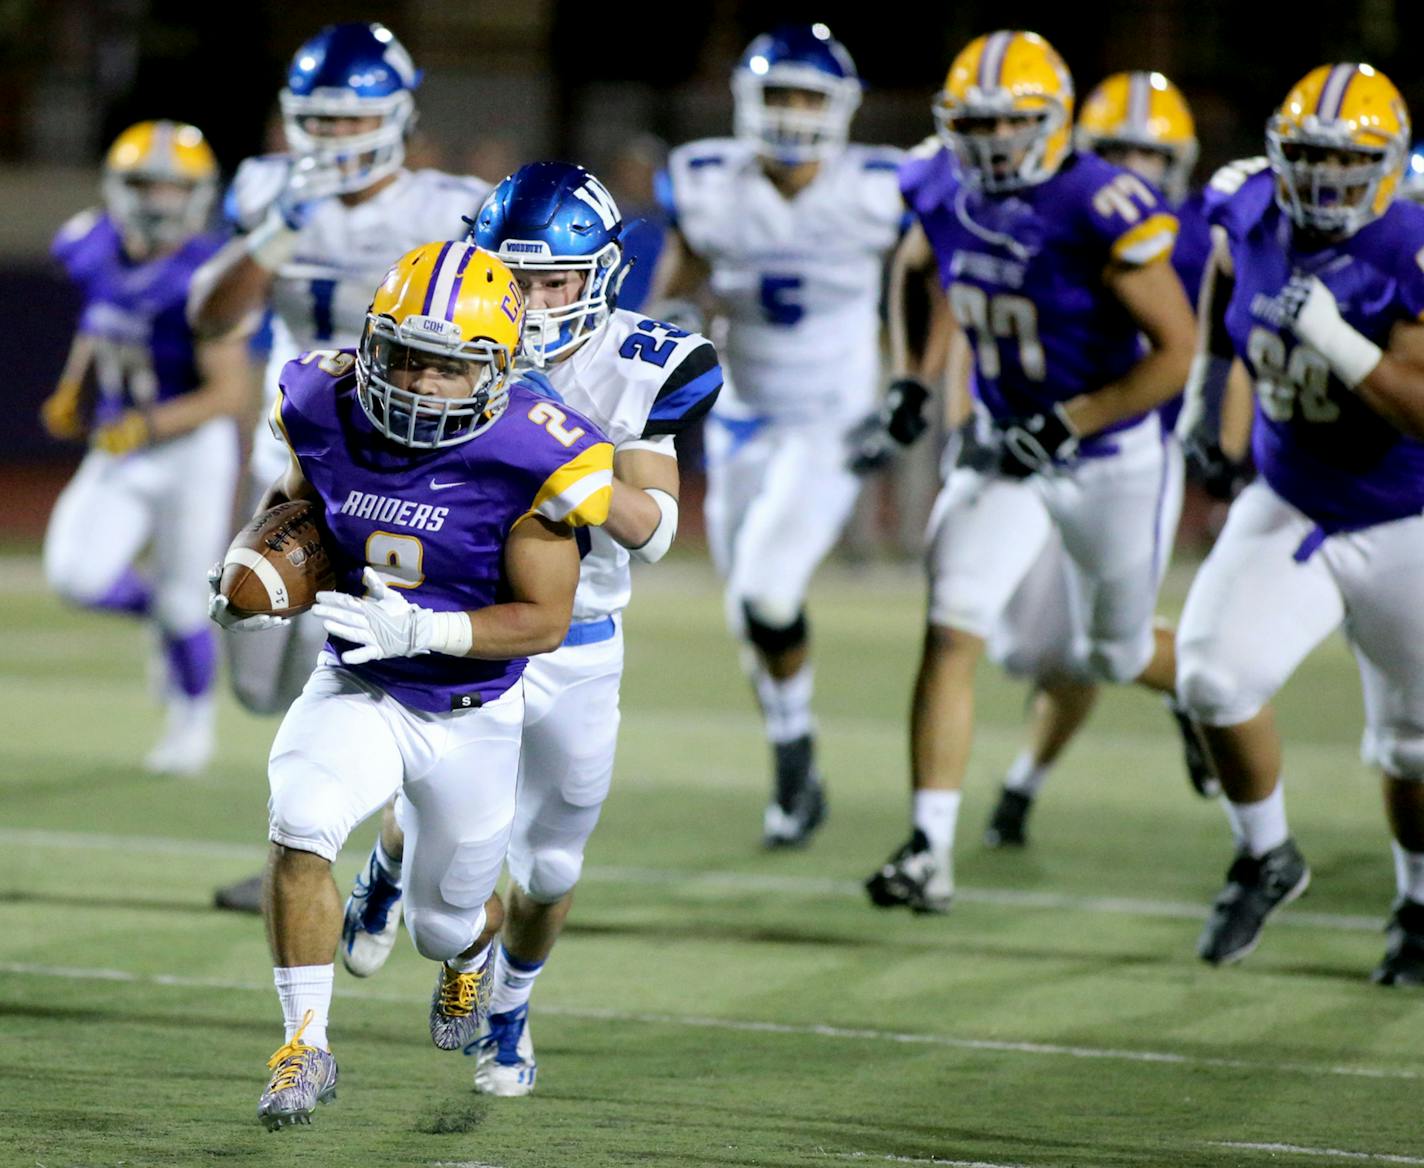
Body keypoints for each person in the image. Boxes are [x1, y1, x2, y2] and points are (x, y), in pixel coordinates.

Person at [335, 161, 721, 1097]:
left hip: (578, 638)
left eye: (554, 281)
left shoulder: (642, 361)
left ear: (602, 276)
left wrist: (570, 459)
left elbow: (659, 531)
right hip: (463, 618)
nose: (533, 301)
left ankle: (511, 1006)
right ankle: (392, 868)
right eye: (515, 277)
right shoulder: (446, 332)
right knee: (444, 827)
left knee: (548, 862)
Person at [220, 241, 614, 1129]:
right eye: (406, 356)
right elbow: (297, 509)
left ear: (495, 367)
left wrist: (428, 628)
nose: (423, 382)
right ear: (373, 344)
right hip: (359, 682)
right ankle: (304, 1045)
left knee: (447, 924)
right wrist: (252, 572)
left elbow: (546, 618)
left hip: (472, 712)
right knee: (298, 821)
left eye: (449, 366)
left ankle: (466, 957)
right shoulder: (322, 402)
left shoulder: (529, 451)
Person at [863, 30, 1196, 914]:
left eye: (1012, 125)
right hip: (1010, 445)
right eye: (975, 125)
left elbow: (1177, 352)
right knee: (953, 624)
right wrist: (912, 376)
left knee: (1110, 651)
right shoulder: (937, 179)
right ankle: (928, 848)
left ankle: (1204, 691)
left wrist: (1071, 419)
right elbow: (914, 265)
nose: (993, 143)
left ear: (1051, 123)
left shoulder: (1101, 200)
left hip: (1110, 454)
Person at [188, 20, 492, 911]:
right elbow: (213, 315)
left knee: (364, 661)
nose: (333, 140)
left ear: (397, 117)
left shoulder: (453, 203)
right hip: (292, 457)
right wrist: (281, 228)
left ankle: (328, 848)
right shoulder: (268, 190)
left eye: (351, 121)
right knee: (252, 660)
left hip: (406, 472)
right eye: (317, 122)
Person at [1176, 63, 1424, 985]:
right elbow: (1224, 289)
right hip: (1290, 495)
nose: (1322, 179)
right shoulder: (1245, 205)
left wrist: (1338, 339)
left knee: (1411, 744)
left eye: (1344, 160)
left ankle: (1420, 903)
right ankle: (1267, 853)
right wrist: (1212, 399)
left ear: (1388, 165)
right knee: (1210, 674)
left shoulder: (1410, 247)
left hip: (1407, 515)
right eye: (1308, 156)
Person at [649, 23, 905, 847]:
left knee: (766, 592)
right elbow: (674, 290)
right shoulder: (708, 182)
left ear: (840, 109)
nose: (792, 114)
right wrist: (676, 321)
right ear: (746, 103)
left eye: (808, 98)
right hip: (741, 419)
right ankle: (796, 760)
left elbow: (925, 282)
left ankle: (794, 758)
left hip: (831, 419)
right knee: (746, 613)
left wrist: (912, 384)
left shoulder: (880, 188)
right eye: (779, 96)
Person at [976, 70, 1222, 849]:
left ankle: (1203, 692)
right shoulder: (1049, 217)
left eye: (1147, 155)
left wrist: (1227, 437)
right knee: (1026, 646)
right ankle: (1174, 685)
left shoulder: (1191, 240)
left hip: (1128, 454)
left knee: (1098, 648)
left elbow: (1219, 352)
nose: (1130, 170)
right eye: (1115, 150)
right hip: (1039, 450)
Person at [41, 120, 246, 775]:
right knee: (75, 574)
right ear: (119, 189)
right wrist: (75, 386)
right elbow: (100, 320)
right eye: (146, 186)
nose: (159, 201)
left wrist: (148, 426)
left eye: (173, 188)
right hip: (121, 442)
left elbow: (229, 393)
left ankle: (192, 723)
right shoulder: (91, 245)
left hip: (191, 449)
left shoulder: (208, 273)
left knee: (189, 597)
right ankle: (161, 622)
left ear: (197, 195)